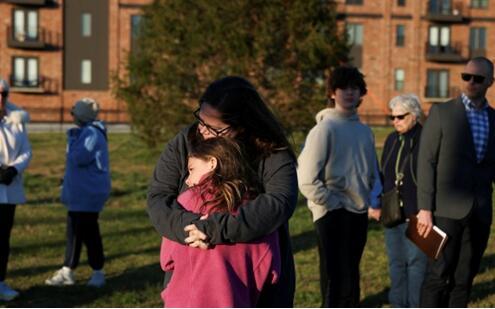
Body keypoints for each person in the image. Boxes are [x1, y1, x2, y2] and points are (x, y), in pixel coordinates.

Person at [148, 76, 298, 307]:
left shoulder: (270, 151)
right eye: (201, 120)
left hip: (253, 284)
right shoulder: (185, 142)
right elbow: (159, 198)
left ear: (242, 126)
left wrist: (215, 228)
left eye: (215, 128)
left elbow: (279, 203)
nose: (203, 131)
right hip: (192, 284)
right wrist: (191, 227)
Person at [160, 137, 280, 307]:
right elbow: (271, 270)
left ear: (212, 163)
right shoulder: (256, 210)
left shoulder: (185, 203)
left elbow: (167, 260)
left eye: (192, 169)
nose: (187, 179)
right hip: (237, 300)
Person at [297, 65, 381, 307]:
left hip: (358, 212)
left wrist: (370, 199)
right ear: (332, 93)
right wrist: (330, 202)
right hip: (331, 213)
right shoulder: (323, 130)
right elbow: (306, 178)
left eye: (355, 88)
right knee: (335, 278)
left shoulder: (365, 131)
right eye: (343, 87)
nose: (350, 92)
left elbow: (372, 171)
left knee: (352, 274)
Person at [417, 57, 495, 307]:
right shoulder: (442, 112)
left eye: (478, 78)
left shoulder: (494, 119)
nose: (471, 82)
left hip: (480, 212)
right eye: (466, 77)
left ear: (490, 83)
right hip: (443, 211)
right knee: (438, 276)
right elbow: (426, 162)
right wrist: (425, 210)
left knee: (464, 280)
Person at [45, 98, 111, 288]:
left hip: (86, 193)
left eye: (74, 112)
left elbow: (78, 158)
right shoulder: (91, 132)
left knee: (77, 232)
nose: (71, 115)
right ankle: (93, 271)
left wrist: (72, 138)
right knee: (88, 232)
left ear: (81, 115)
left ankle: (70, 270)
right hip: (85, 191)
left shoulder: (90, 133)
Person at [381, 94, 427, 307]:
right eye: (392, 117)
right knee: (396, 263)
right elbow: (383, 174)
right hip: (392, 213)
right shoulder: (391, 139)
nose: (395, 121)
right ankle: (398, 304)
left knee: (417, 264)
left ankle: (415, 304)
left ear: (414, 115)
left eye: (400, 116)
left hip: (417, 213)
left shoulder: (426, 138)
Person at [0, 79, 32, 301]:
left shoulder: (16, 120)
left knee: (3, 239)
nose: (0, 98)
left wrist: (13, 169)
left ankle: (0, 282)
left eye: (4, 93)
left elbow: (26, 151)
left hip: (8, 191)